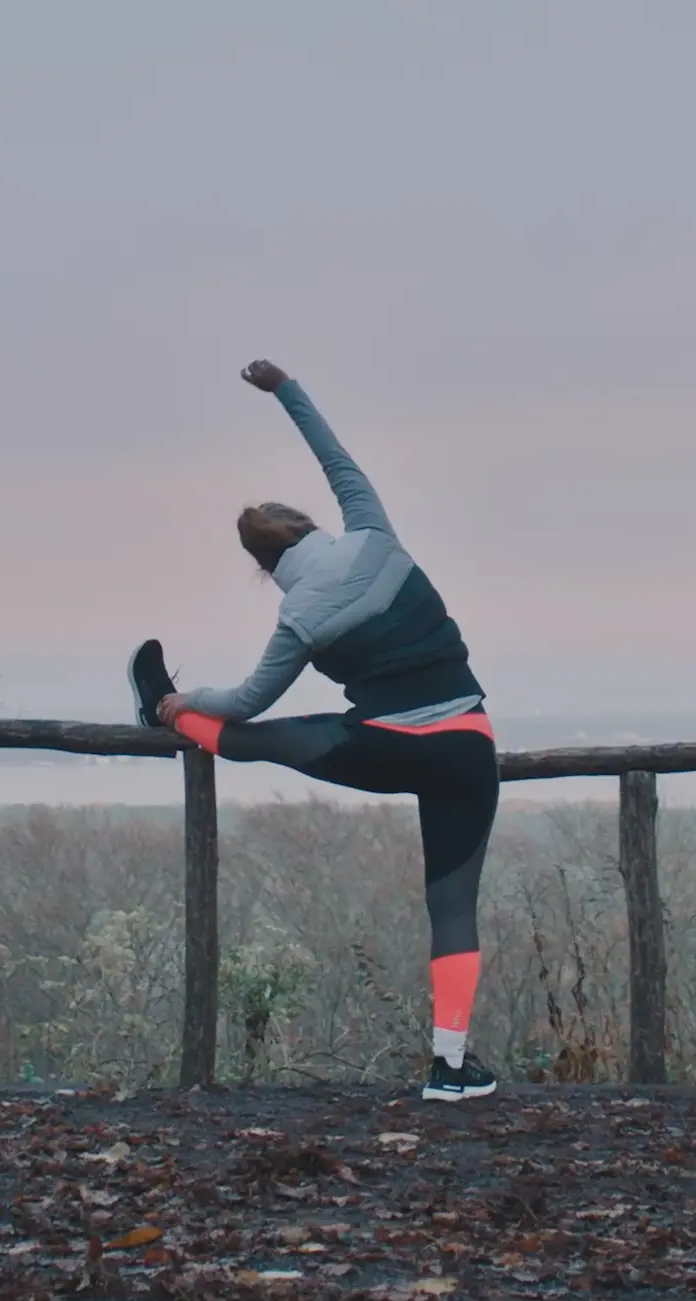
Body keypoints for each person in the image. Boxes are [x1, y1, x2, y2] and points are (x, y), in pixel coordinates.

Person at [127, 359, 499, 1102]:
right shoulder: (372, 532)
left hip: (386, 745)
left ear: (266, 569)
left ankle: (161, 708)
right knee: (453, 908)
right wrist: (284, 387)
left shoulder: (298, 617)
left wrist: (187, 698)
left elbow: (244, 703)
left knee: (256, 740)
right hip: (469, 744)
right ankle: (450, 1068)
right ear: (311, 525)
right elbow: (334, 454)